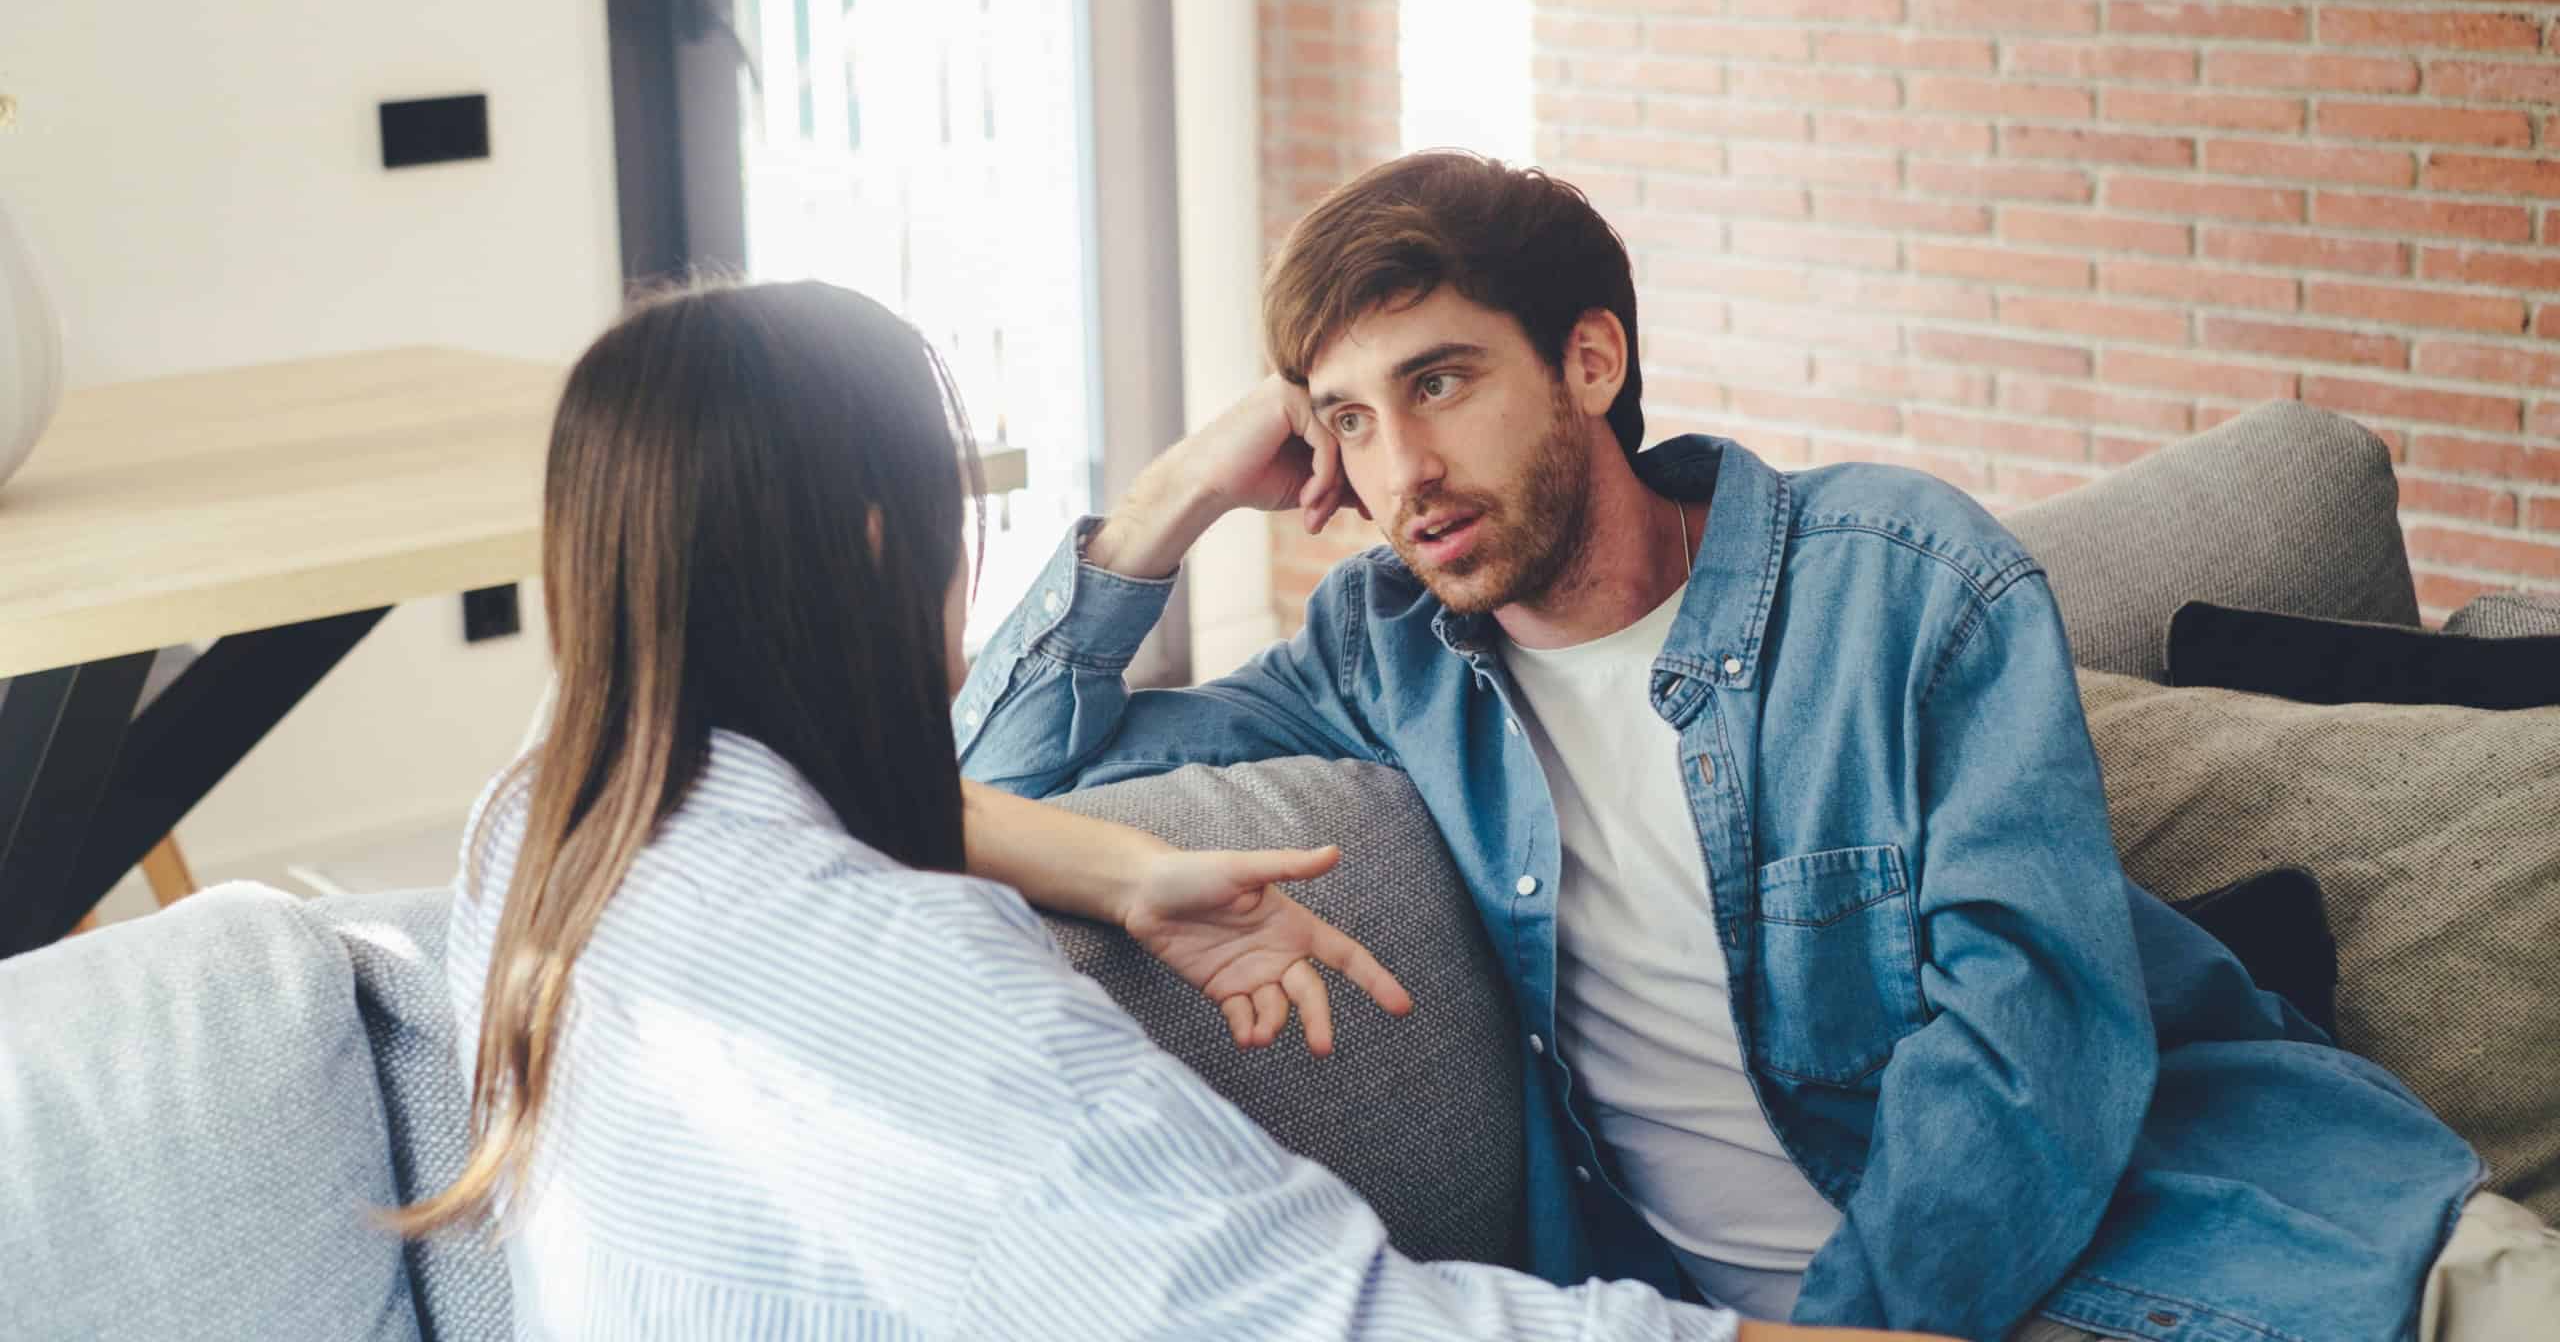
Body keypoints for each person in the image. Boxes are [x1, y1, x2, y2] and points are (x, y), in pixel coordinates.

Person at [956, 151, 2560, 1342]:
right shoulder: (1383, 653)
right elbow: (995, 781)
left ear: (1590, 362)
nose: (1404, 471)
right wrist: (1165, 499)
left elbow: (2032, 1030)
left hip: (2267, 1257)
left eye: (1438, 383)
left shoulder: (1899, 579)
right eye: (1349, 418)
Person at [395, 279, 1945, 1342]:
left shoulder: (551, 807)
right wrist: (1171, 506)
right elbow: (1317, 1318)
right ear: (884, 542)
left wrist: (1116, 866)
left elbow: (929, 803)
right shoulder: (897, 974)